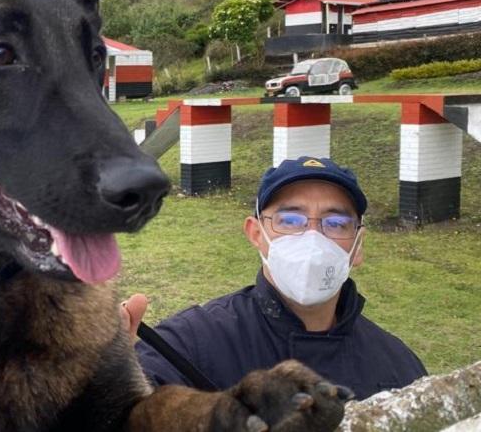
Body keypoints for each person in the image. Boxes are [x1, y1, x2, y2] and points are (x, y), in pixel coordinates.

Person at [122, 156, 427, 400]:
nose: (312, 238)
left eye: (335, 223)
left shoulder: (398, 368)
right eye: (290, 220)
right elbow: (129, 409)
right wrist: (102, 369)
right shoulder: (190, 344)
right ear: (256, 234)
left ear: (357, 246)